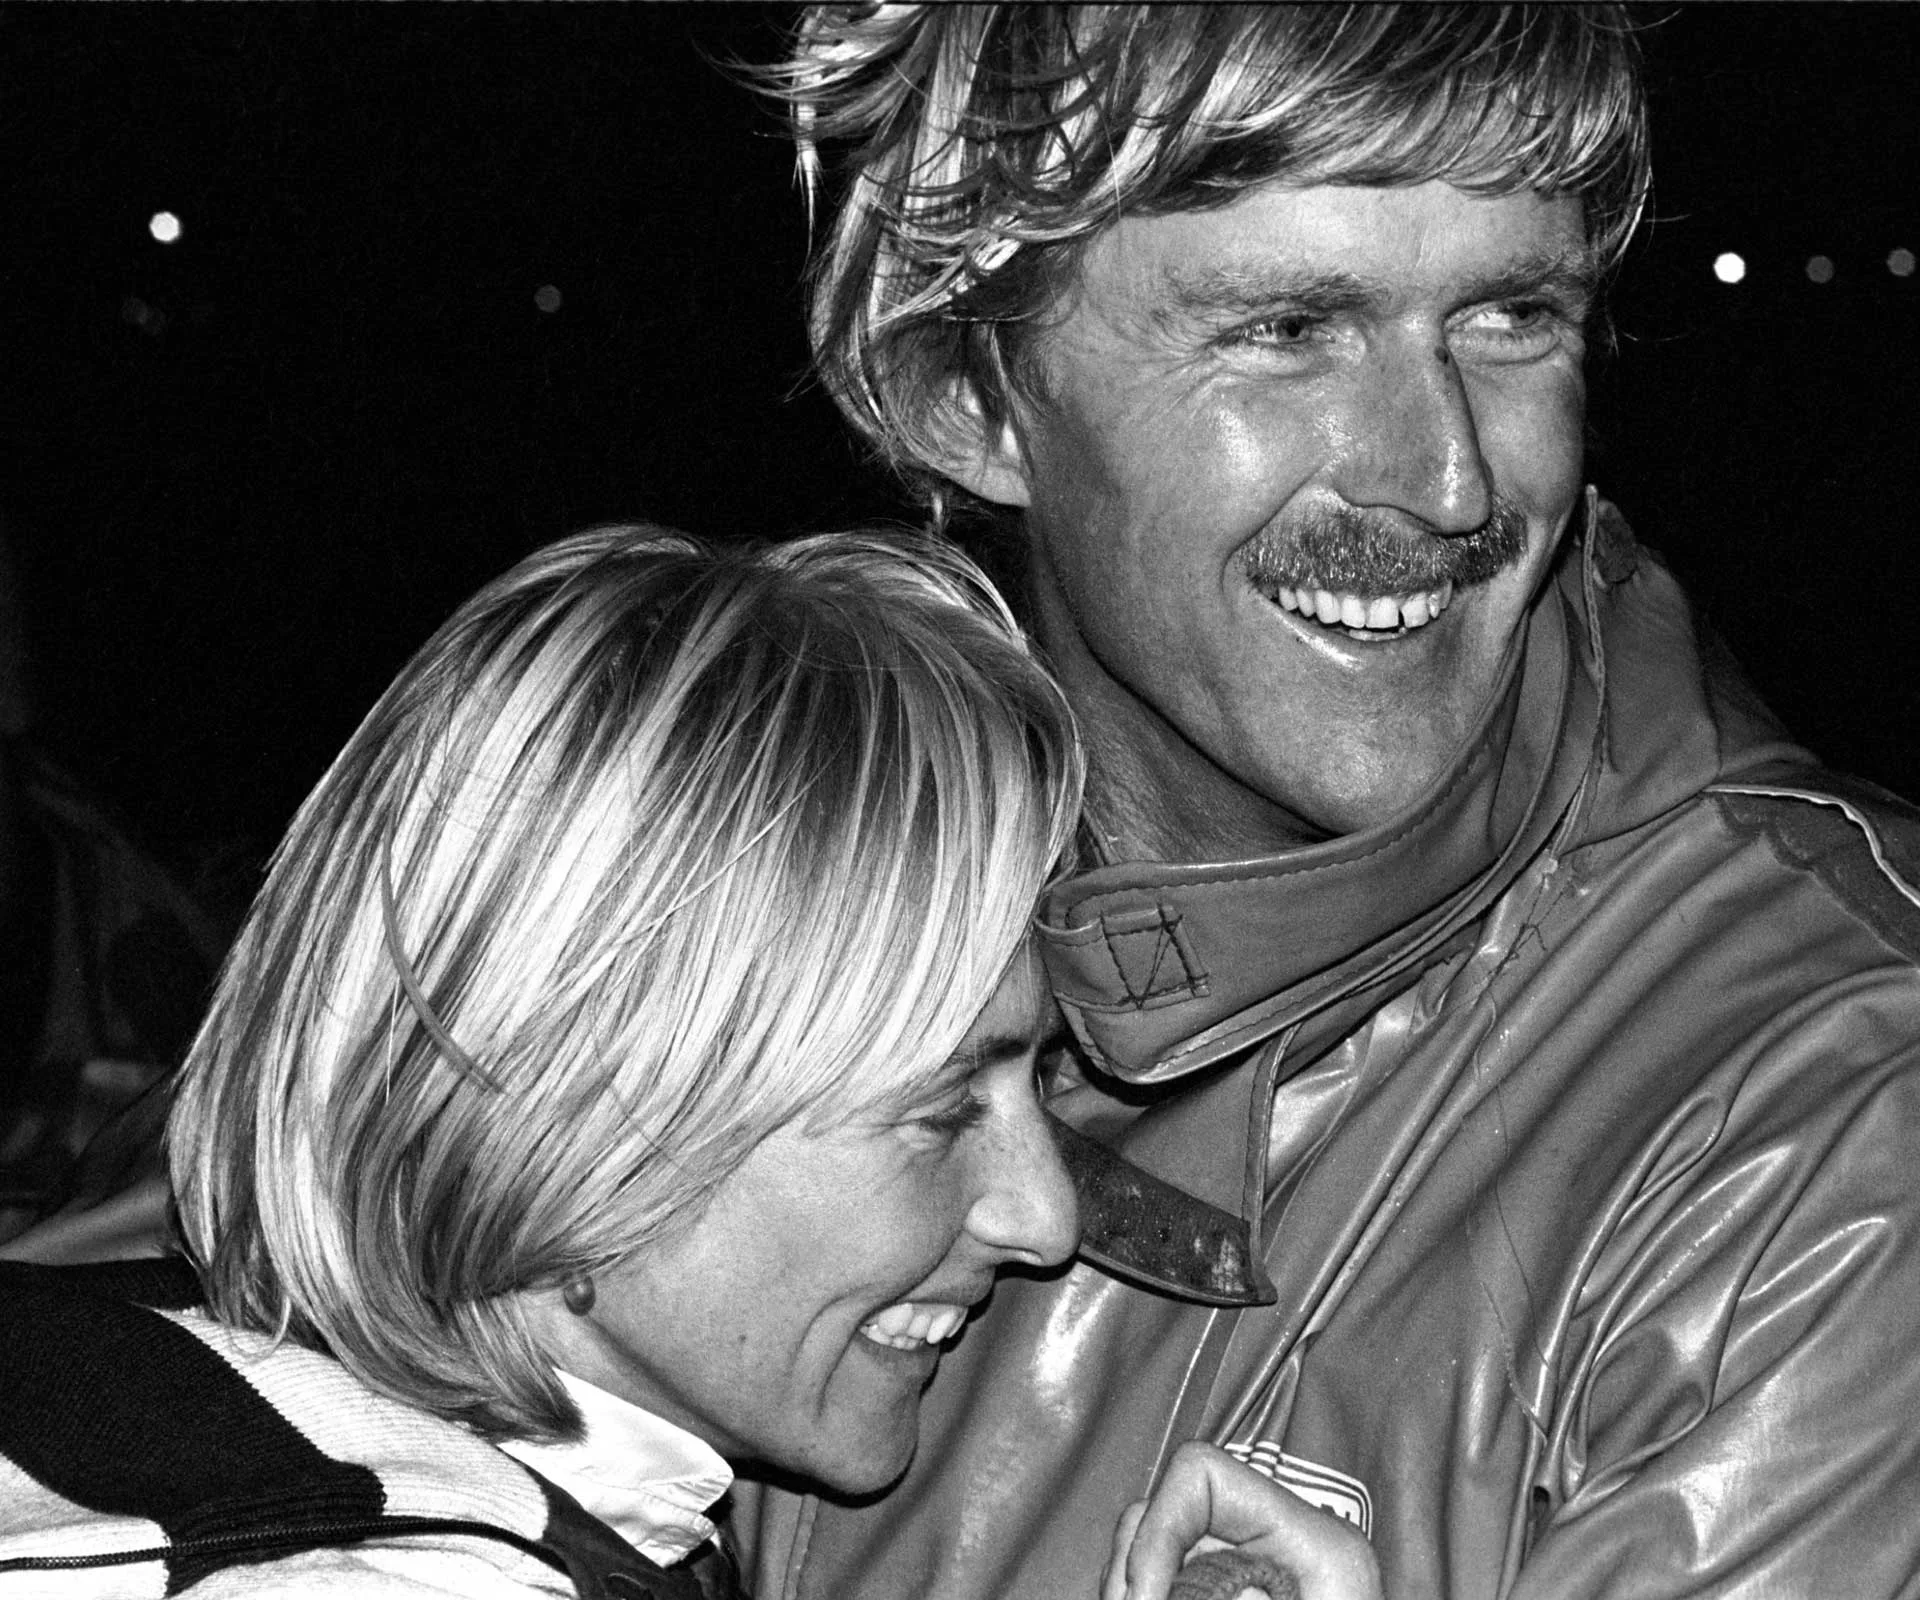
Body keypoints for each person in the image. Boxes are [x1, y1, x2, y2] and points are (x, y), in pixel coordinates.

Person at [742, 6, 1920, 1599]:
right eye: (1288, 329)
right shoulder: (721, 953)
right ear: (964, 393)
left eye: (1512, 315)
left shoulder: (1837, 1112)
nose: (1444, 481)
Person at [1, 525, 1113, 1597]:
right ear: (582, 1115)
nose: (1044, 1215)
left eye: (1039, 1082)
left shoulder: (173, 1412)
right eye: (940, 1111)